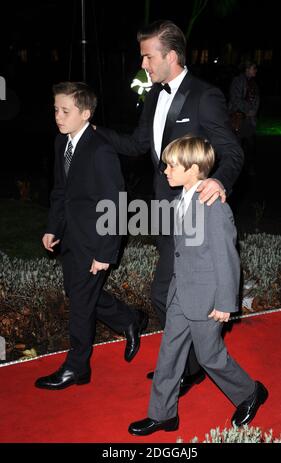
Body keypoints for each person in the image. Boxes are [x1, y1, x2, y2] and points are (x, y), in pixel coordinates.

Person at [96, 20, 244, 396]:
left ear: (171, 56)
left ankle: (196, 366)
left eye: (148, 56)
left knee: (168, 294)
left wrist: (219, 180)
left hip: (197, 214)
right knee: (166, 296)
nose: (144, 63)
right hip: (165, 213)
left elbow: (232, 151)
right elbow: (135, 145)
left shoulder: (204, 95)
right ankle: (189, 367)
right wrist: (93, 133)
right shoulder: (153, 96)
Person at [129, 135, 268, 436]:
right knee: (169, 351)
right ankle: (163, 414)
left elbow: (227, 257)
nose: (165, 170)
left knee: (209, 357)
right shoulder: (181, 199)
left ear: (193, 169)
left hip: (207, 296)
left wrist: (224, 302)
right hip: (181, 291)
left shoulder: (214, 206)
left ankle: (250, 392)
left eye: (171, 165)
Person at [35, 81, 148, 390]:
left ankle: (76, 367)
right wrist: (52, 227)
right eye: (56, 109)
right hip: (71, 236)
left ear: (85, 114)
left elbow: (116, 202)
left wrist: (105, 253)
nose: (58, 116)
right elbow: (61, 191)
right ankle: (129, 320)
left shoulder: (101, 150)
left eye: (66, 111)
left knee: (81, 304)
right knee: (79, 294)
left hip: (97, 239)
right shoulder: (62, 143)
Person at [228, 60, 260, 175]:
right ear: (247, 69)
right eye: (253, 68)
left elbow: (257, 99)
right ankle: (237, 170)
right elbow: (235, 99)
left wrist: (253, 111)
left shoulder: (253, 83)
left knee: (251, 145)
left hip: (248, 119)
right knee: (238, 145)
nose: (255, 70)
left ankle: (247, 168)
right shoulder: (238, 81)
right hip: (239, 119)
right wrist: (248, 110)